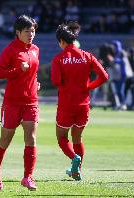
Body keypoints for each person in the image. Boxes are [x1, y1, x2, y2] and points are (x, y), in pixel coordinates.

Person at [51, 22, 108, 181]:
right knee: (78, 138)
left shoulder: (59, 59)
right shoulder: (87, 55)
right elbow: (104, 77)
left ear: (62, 41)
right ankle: (77, 171)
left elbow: (56, 81)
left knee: (62, 138)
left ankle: (74, 158)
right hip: (83, 104)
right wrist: (88, 86)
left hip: (66, 105)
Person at [0, 15, 39, 190]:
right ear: (18, 32)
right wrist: (17, 70)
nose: (31, 34)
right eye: (27, 31)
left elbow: (33, 73)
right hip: (12, 103)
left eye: (33, 31)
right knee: (5, 140)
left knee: (31, 139)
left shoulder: (35, 49)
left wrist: (36, 82)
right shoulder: (10, 49)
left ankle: (28, 177)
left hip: (31, 102)